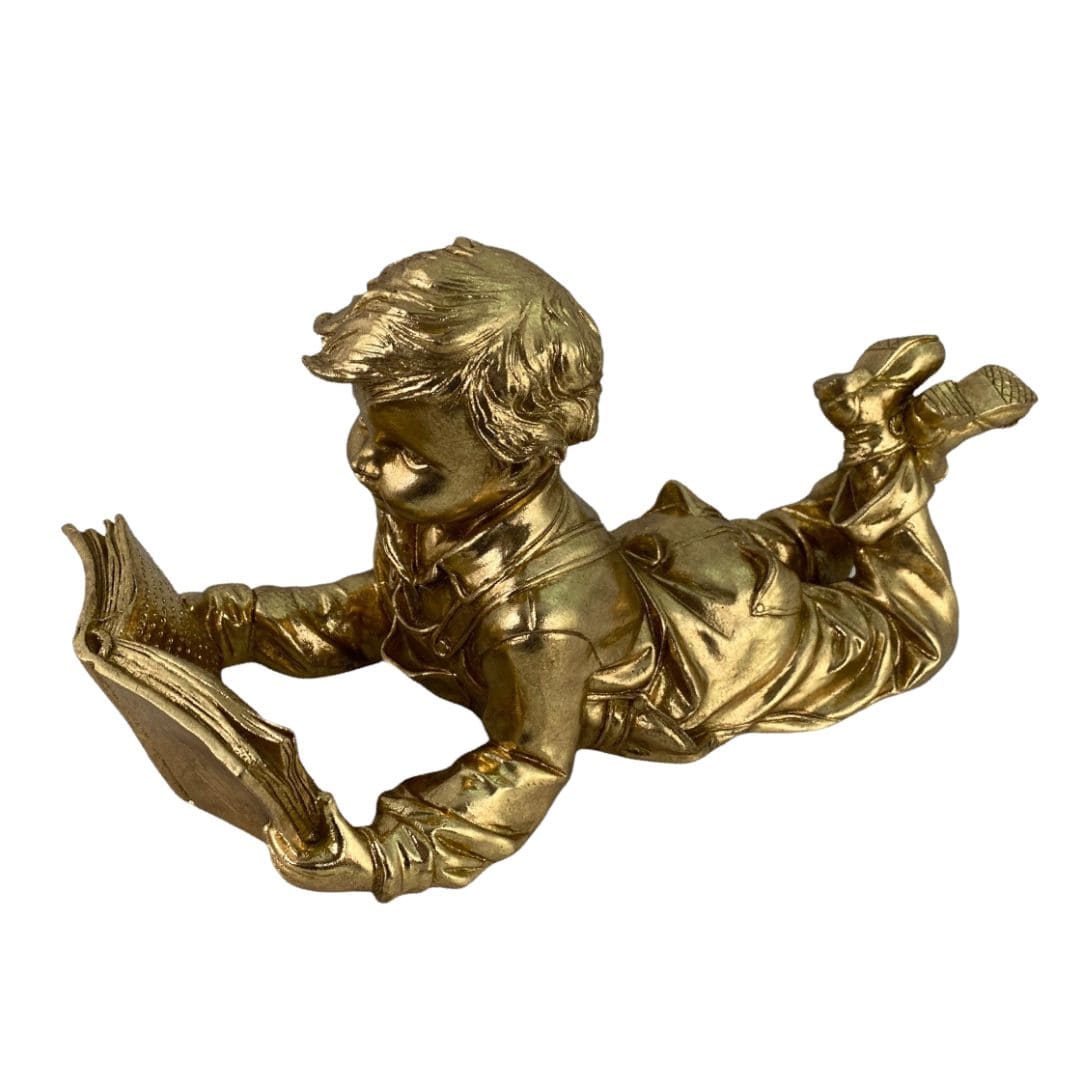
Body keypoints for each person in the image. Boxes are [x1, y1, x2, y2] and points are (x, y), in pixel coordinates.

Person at [183, 238, 1035, 901]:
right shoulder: (441, 510)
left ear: (517, 452)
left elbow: (527, 760)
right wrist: (224, 621)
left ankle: (886, 444)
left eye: (407, 449)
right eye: (369, 424)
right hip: (672, 569)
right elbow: (375, 615)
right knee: (802, 531)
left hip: (727, 652)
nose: (369, 458)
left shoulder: (541, 622)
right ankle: (892, 445)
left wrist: (392, 851)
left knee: (908, 628)